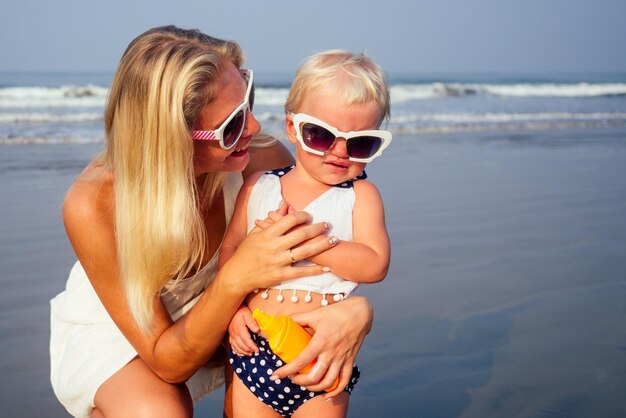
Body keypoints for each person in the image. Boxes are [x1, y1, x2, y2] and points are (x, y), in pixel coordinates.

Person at [49, 26, 374, 418]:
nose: (254, 128)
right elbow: (168, 361)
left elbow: (315, 262)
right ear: (171, 138)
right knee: (158, 413)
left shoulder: (262, 159)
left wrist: (358, 313)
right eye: (232, 125)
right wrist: (237, 275)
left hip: (235, 315)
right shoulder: (94, 203)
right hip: (133, 331)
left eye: (248, 99)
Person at [220, 50, 392, 418]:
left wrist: (310, 241)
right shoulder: (258, 187)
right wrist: (232, 313)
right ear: (292, 128)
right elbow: (231, 253)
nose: (339, 152)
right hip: (256, 345)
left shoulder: (360, 196)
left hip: (323, 353)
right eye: (320, 135)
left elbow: (375, 264)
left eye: (360, 142)